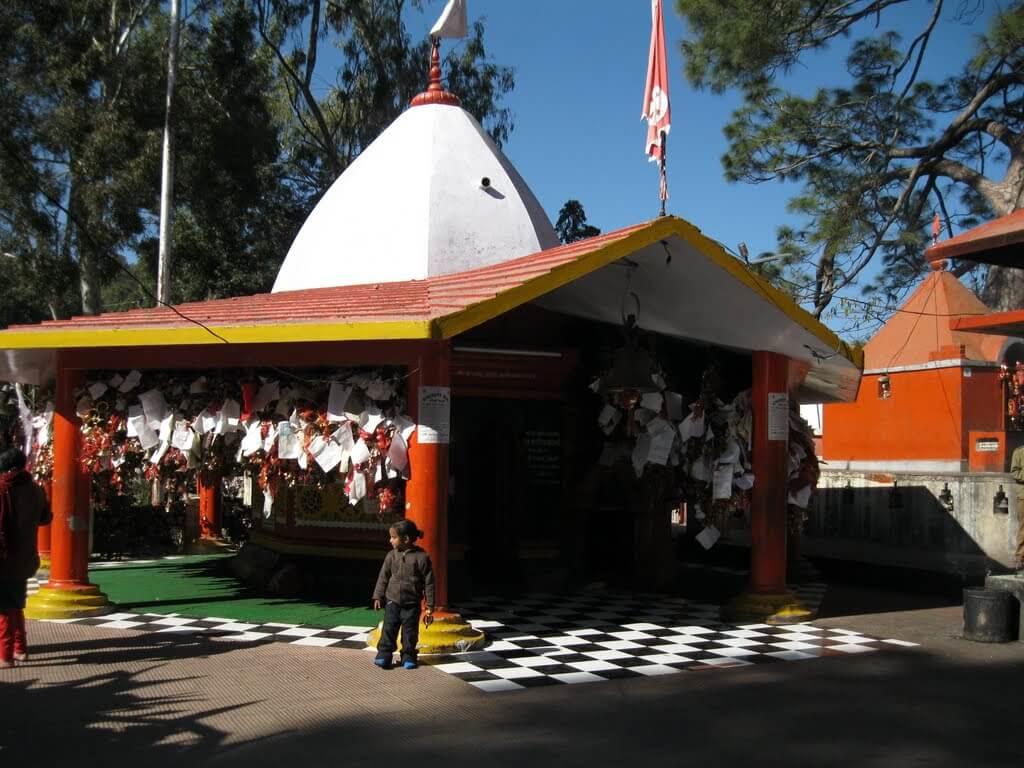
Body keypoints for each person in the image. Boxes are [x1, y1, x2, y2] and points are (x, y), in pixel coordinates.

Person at [0, 438, 51, 669]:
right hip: (26, 557)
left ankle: (5, 655)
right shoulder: (36, 490)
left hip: (4, 558)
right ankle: (20, 649)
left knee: (4, 607)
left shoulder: (3, 488)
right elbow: (45, 518)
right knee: (16, 603)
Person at [371, 519, 435, 670]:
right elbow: (383, 577)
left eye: (393, 537)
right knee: (389, 629)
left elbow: (429, 583)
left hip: (412, 604)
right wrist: (378, 596)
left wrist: (430, 604)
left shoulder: (422, 557)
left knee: (410, 632)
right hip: (392, 601)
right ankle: (384, 655)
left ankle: (408, 656)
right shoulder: (391, 556)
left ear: (405, 539)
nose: (390, 540)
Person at [1010, 443, 1024, 574]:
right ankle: (1020, 558)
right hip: (1023, 496)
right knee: (1023, 527)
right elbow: (1014, 472)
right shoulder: (1019, 452)